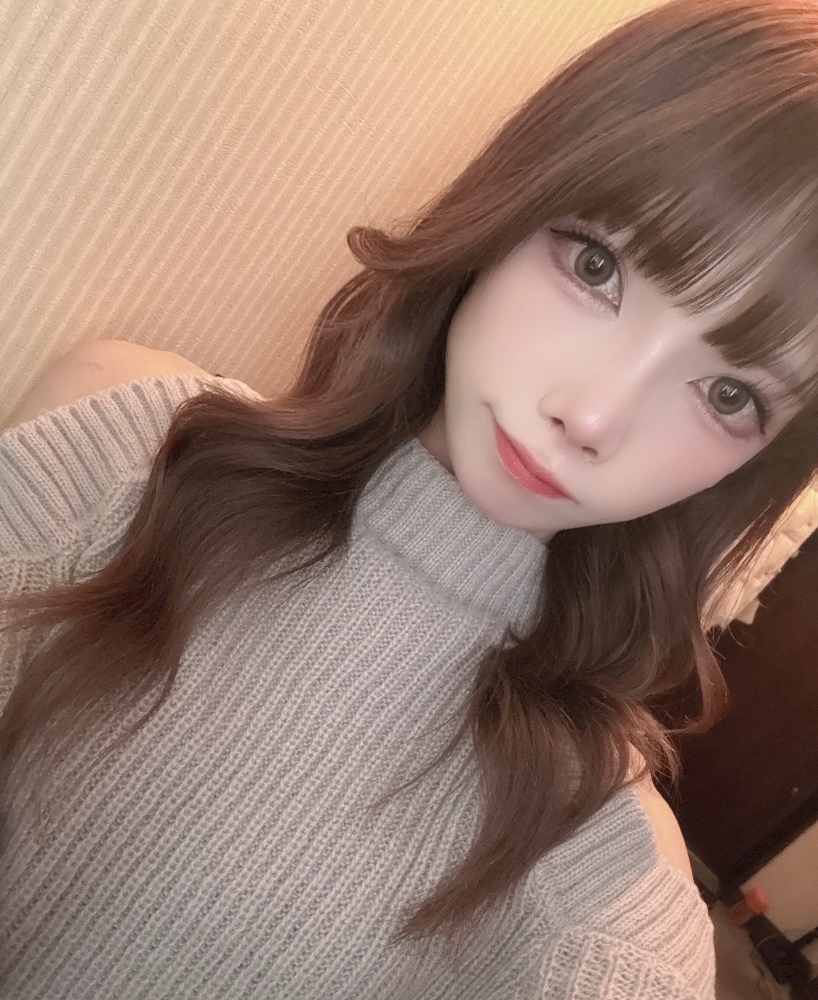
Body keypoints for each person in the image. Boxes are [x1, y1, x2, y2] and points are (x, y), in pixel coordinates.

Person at [2, 0, 818, 995]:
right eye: (596, 265)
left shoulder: (598, 877)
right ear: (513, 200)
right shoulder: (121, 448)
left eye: (728, 394)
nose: (592, 416)